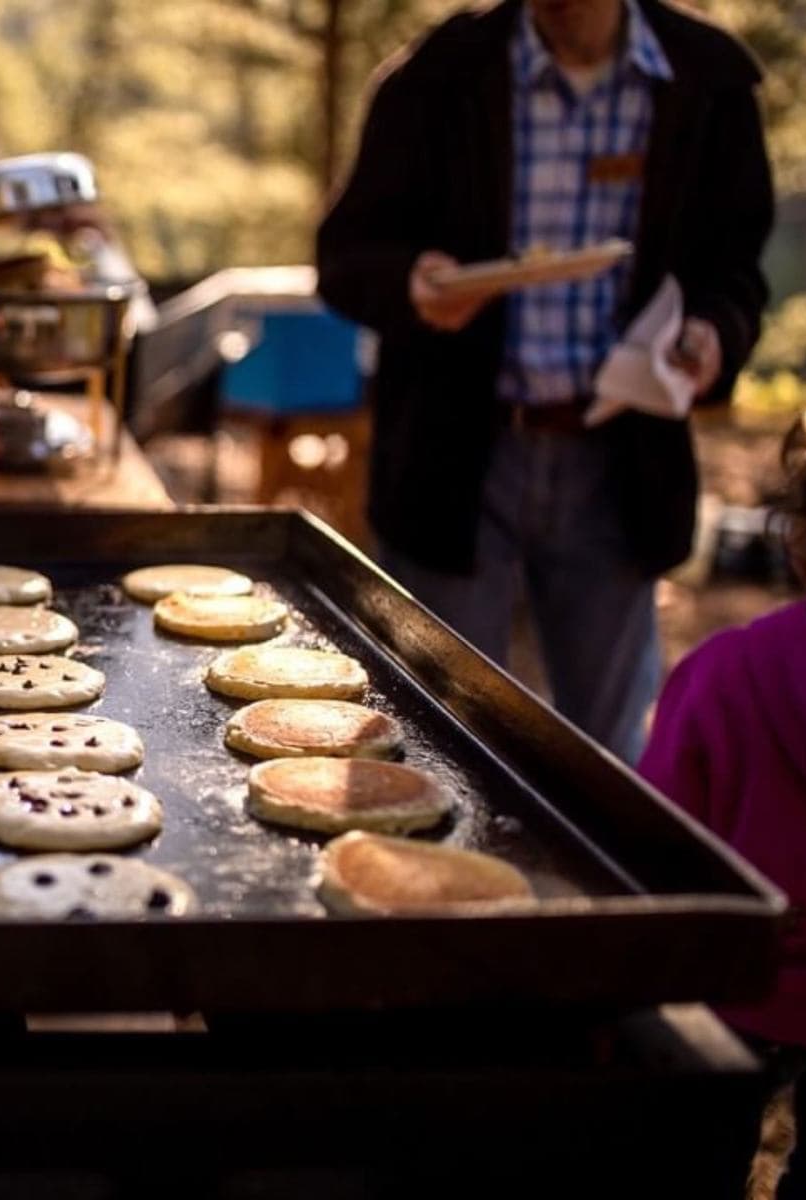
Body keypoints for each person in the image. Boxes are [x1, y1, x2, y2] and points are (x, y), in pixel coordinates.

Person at [316, 0, 773, 761]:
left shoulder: (708, 78)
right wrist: (413, 286)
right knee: (434, 737)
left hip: (622, 462)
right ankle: (448, 882)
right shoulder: (441, 72)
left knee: (610, 756)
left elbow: (737, 271)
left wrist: (713, 334)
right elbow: (345, 258)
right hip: (455, 460)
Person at [638, 405, 806, 1199]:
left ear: (800, 532)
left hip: (729, 1002)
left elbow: (655, 856)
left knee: (695, 1160)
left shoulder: (724, 675)